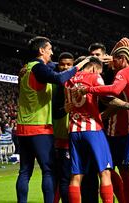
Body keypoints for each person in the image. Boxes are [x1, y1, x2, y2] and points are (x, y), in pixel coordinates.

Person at [78, 46, 129, 203]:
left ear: (122, 59)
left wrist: (88, 89)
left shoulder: (124, 72)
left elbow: (115, 91)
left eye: (114, 60)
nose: (111, 63)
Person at [16, 36, 89, 203]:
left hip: (22, 127)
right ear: (41, 50)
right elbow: (59, 78)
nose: (52, 52)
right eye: (49, 49)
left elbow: (54, 68)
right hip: (39, 128)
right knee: (48, 171)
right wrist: (79, 65)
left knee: (24, 172)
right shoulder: (38, 69)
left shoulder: (27, 68)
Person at [65, 56, 114, 203]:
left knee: (76, 175)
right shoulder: (94, 77)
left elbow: (67, 105)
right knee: (104, 172)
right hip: (93, 129)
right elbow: (107, 97)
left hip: (74, 130)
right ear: (94, 67)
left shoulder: (68, 80)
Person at [52, 52, 75, 203]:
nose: (65, 67)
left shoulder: (78, 83)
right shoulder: (54, 83)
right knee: (62, 178)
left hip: (76, 137)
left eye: (69, 65)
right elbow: (54, 112)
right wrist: (64, 110)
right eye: (62, 64)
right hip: (60, 138)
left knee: (72, 177)